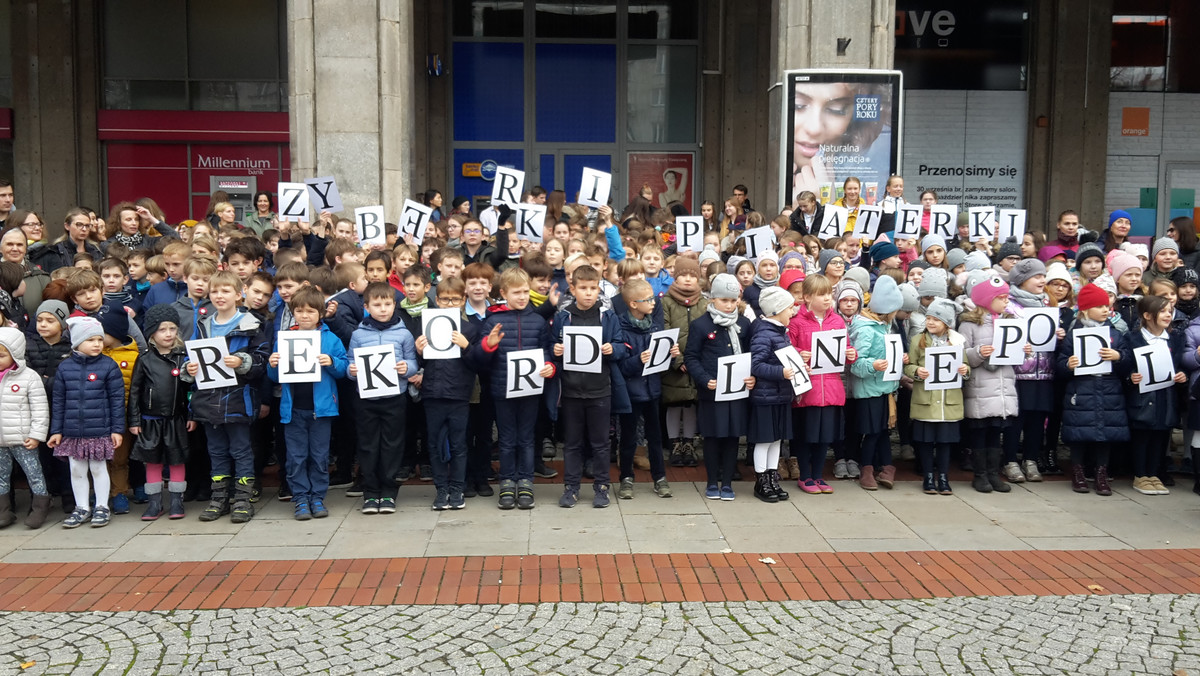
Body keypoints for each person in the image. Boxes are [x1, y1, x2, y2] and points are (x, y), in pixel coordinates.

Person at [182, 271, 268, 523]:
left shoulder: (252, 324)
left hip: (238, 399)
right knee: (216, 451)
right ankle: (218, 498)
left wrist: (242, 361)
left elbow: (262, 360)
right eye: (215, 291)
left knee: (241, 450)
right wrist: (189, 368)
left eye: (225, 291)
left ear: (239, 294)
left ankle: (242, 498)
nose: (220, 296)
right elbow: (191, 356)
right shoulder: (203, 325)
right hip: (208, 400)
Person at [468, 268, 555, 510]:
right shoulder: (493, 321)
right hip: (502, 390)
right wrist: (488, 345)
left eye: (526, 292)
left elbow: (546, 350)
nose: (522, 297)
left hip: (530, 390)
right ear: (503, 293)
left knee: (527, 438)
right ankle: (507, 481)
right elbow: (478, 359)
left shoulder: (537, 321)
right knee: (507, 439)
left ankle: (525, 481)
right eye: (516, 292)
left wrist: (549, 366)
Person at [268, 287, 349, 521]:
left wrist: (331, 362)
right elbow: (274, 378)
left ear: (321, 313)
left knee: (319, 456)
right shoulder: (285, 339)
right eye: (299, 311)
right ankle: (301, 498)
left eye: (311, 311)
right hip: (293, 410)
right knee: (296, 457)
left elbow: (343, 370)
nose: (304, 316)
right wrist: (273, 364)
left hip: (321, 410)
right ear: (293, 313)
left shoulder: (330, 338)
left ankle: (317, 497)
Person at [552, 265, 625, 509]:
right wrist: (556, 351)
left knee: (601, 442)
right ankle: (571, 487)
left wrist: (613, 349)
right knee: (572, 443)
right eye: (582, 288)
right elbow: (551, 345)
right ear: (572, 289)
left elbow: (621, 345)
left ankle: (602, 487)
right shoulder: (564, 316)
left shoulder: (607, 316)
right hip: (571, 390)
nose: (588, 293)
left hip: (600, 389)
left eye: (593, 288)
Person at [348, 282, 418, 514]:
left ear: (394, 305)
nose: (383, 309)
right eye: (377, 305)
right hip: (366, 399)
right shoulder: (358, 334)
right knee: (368, 445)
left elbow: (413, 364)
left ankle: (388, 492)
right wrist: (352, 371)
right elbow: (350, 364)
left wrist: (405, 368)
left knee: (392, 444)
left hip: (394, 397)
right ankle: (370, 492)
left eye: (387, 304)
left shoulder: (404, 334)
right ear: (367, 307)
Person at [49, 316, 125, 528]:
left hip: (99, 429)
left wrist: (117, 429)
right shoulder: (65, 368)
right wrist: (57, 430)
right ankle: (82, 507)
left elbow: (117, 400)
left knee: (99, 468)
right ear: (77, 342)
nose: (97, 344)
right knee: (77, 469)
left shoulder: (109, 366)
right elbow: (59, 401)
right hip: (72, 431)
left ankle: (102, 506)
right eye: (91, 340)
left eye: (99, 340)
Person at [684, 273, 753, 500]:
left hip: (736, 392)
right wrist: (704, 379)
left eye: (733, 301)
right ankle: (712, 481)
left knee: (732, 437)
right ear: (713, 299)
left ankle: (727, 483)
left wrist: (752, 377)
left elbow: (751, 356)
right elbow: (691, 357)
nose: (729, 305)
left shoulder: (743, 324)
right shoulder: (701, 325)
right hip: (712, 393)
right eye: (724, 300)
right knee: (712, 437)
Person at [1058, 283, 1131, 495]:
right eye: (1099, 306)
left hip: (1109, 390)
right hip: (1081, 390)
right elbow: (1061, 363)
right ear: (1085, 310)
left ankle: (1101, 473)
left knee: (1104, 436)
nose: (1105, 309)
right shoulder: (1074, 334)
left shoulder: (1115, 334)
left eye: (1106, 306)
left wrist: (1119, 357)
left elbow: (1128, 361)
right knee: (1079, 434)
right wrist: (1067, 365)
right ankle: (1078, 472)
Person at [789, 273, 854, 493]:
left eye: (829, 293)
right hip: (809, 389)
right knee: (807, 435)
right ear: (807, 297)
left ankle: (818, 475)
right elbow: (788, 349)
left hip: (832, 388)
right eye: (821, 294)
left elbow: (842, 354)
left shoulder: (836, 320)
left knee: (825, 436)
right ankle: (805, 476)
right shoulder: (796, 321)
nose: (827, 298)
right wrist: (800, 353)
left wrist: (849, 353)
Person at [417, 276, 476, 511]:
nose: (449, 304)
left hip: (459, 394)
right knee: (433, 443)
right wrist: (419, 351)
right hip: (432, 393)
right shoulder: (427, 324)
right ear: (436, 300)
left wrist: (467, 346)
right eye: (444, 299)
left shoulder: (470, 328)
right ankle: (441, 489)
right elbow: (419, 362)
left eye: (454, 299)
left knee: (459, 444)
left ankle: (456, 488)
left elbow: (478, 363)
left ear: (463, 300)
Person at [127, 304, 191, 521]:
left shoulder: (183, 356)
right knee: (152, 461)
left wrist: (191, 415)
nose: (168, 334)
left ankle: (176, 500)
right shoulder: (144, 359)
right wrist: (134, 420)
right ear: (153, 332)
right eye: (163, 329)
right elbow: (135, 391)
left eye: (172, 329)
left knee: (176, 459)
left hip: (176, 419)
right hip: (150, 421)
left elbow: (190, 390)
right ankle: (154, 503)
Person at [615, 279, 673, 500]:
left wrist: (669, 352)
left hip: (652, 390)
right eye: (647, 299)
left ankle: (660, 478)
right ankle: (626, 478)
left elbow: (660, 362)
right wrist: (638, 360)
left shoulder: (655, 325)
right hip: (631, 392)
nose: (653, 302)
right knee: (629, 438)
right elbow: (620, 366)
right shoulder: (620, 328)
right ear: (632, 303)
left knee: (655, 437)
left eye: (653, 297)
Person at [904, 299, 968, 495]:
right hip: (926, 400)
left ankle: (943, 476)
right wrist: (916, 371)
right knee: (925, 441)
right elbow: (908, 365)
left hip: (948, 403)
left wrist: (965, 370)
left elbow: (966, 367)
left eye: (936, 319)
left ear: (947, 323)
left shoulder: (958, 341)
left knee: (944, 442)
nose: (930, 322)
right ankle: (928, 476)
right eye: (928, 318)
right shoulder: (918, 340)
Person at [1124, 294, 1186, 495]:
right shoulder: (1133, 338)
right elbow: (1126, 365)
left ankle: (1154, 474)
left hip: (1166, 395)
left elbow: (1177, 365)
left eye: (1170, 311)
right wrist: (1130, 377)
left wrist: (1180, 376)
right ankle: (1140, 475)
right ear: (1148, 315)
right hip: (1143, 397)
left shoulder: (1175, 338)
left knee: (1161, 435)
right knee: (1143, 435)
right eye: (1163, 311)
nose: (1168, 315)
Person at [847, 275, 904, 490]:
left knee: (882, 431)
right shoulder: (866, 329)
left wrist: (900, 358)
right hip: (869, 389)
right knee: (872, 432)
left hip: (885, 388)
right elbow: (856, 363)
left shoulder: (886, 327)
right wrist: (874, 365)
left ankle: (886, 467)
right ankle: (867, 468)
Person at [747, 286, 797, 503]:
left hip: (780, 395)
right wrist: (781, 372)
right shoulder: (764, 333)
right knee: (764, 439)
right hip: (765, 397)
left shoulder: (780, 332)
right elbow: (756, 365)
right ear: (777, 310)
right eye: (789, 308)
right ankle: (761, 480)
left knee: (776, 438)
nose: (792, 312)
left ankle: (771, 476)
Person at [0, 327, 52, 528]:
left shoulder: (29, 377)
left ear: (15, 353)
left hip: (23, 439)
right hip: (1, 441)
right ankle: (4, 510)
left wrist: (36, 435)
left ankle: (40, 506)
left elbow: (40, 409)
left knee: (34, 473)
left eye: (2, 355)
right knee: (1, 475)